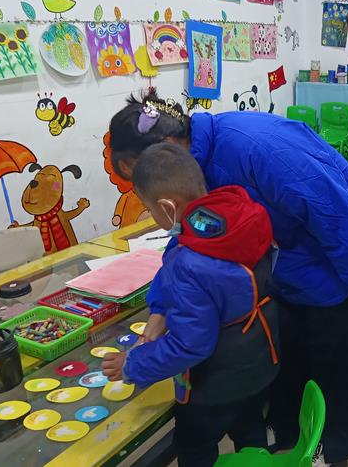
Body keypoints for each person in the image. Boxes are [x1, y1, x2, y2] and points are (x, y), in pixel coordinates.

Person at [108, 91, 348, 467]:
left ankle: (334, 452)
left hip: (331, 268)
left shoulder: (252, 147)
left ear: (169, 143)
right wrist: (159, 311)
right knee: (289, 365)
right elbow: (185, 242)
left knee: (332, 371)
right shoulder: (193, 167)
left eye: (145, 169)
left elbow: (333, 209)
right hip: (284, 276)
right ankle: (284, 434)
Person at [101, 142, 279, 467]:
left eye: (149, 208)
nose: (151, 216)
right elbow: (174, 258)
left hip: (215, 382)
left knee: (194, 447)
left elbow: (191, 344)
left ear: (167, 207)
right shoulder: (230, 216)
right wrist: (158, 311)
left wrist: (133, 365)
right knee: (251, 432)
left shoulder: (190, 263)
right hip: (258, 359)